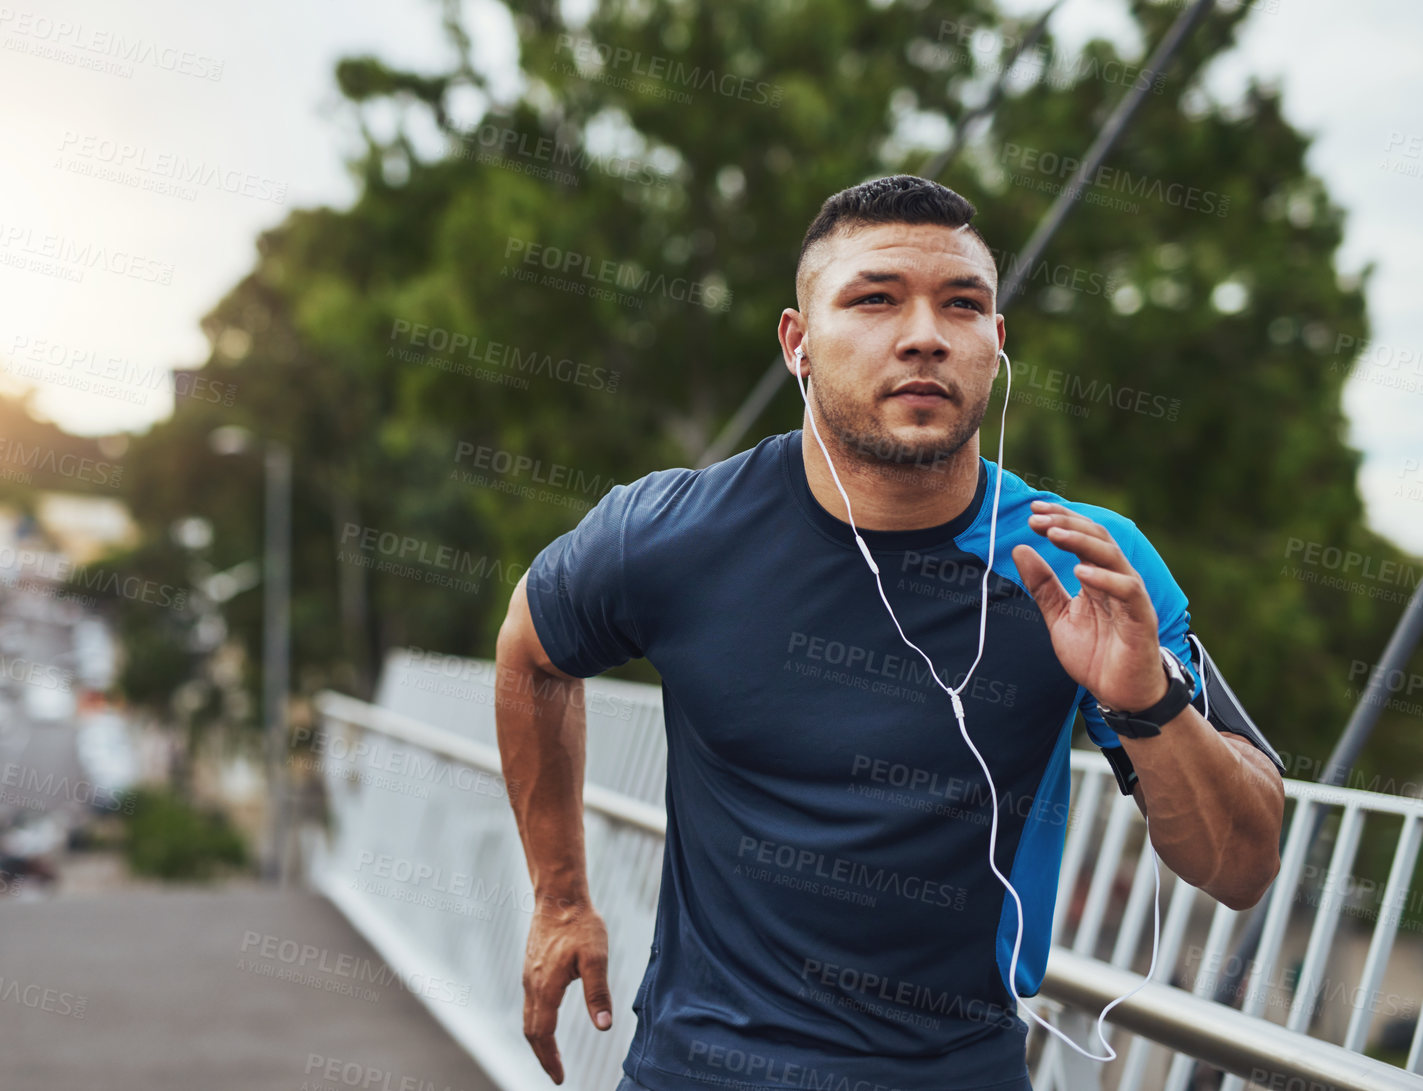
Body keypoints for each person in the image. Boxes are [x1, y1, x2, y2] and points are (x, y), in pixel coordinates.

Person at [492, 175, 1286, 1091]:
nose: (923, 334)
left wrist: (1148, 701)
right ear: (796, 343)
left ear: (996, 342)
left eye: (963, 305)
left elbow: (1240, 864)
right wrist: (558, 898)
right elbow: (531, 653)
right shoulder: (669, 533)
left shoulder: (1081, 561)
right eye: (874, 299)